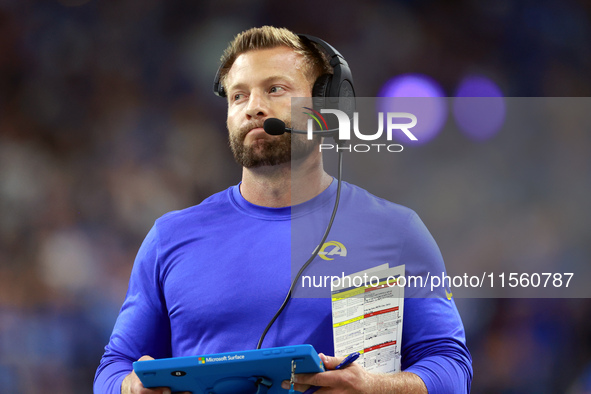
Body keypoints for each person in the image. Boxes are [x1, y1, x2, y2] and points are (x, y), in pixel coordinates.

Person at [94, 26, 472, 394]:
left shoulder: (395, 231)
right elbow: (114, 366)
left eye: (275, 89)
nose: (254, 107)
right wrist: (129, 387)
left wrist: (375, 389)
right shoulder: (169, 238)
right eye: (238, 96)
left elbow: (450, 367)